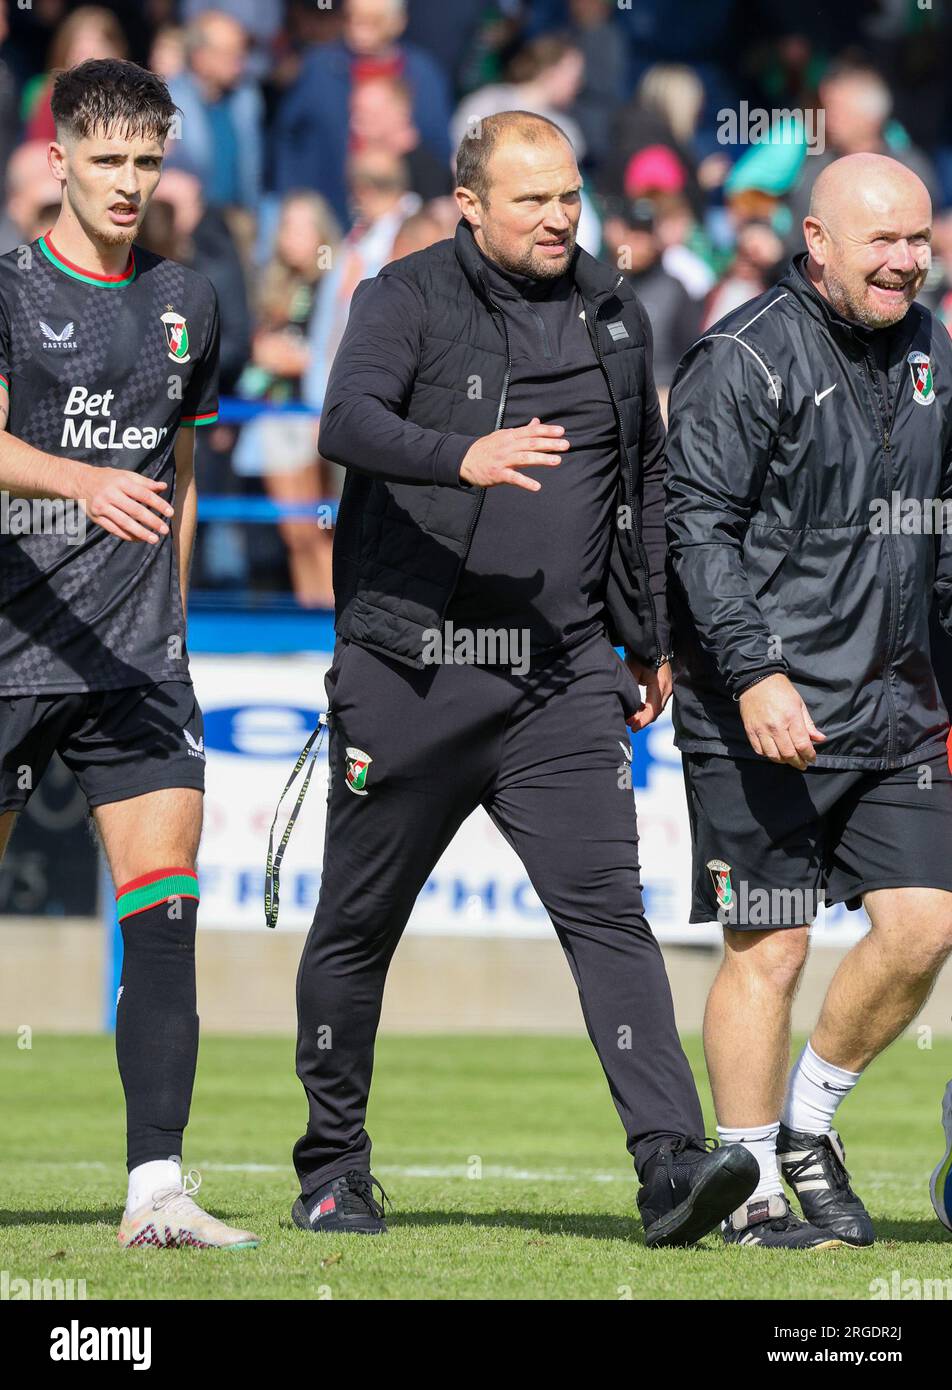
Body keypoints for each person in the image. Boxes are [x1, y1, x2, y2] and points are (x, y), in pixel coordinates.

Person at [288, 109, 758, 1245]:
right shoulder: (400, 298)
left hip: (556, 682)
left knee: (609, 919)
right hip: (411, 671)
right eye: (532, 199)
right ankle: (333, 1169)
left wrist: (646, 644)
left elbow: (636, 488)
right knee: (358, 925)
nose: (559, 217)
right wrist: (463, 455)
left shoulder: (611, 307)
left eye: (568, 195)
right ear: (469, 203)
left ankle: (667, 1165)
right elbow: (342, 419)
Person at [665, 152, 952, 1249]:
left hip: (895, 707)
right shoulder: (742, 354)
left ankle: (807, 1124)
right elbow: (694, 525)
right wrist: (754, 671)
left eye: (918, 239)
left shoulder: (934, 349)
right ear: (816, 242)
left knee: (924, 922)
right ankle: (749, 1193)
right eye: (880, 240)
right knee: (770, 947)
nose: (904, 261)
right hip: (762, 706)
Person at [0, 57, 258, 1250]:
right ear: (57, 160)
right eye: (105, 160)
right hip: (11, 645)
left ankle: (155, 1186)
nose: (127, 183)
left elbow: (182, 467)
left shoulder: (191, 301)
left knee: (163, 910)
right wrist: (82, 482)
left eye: (146, 162)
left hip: (137, 663)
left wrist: (177, 609)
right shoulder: (6, 282)